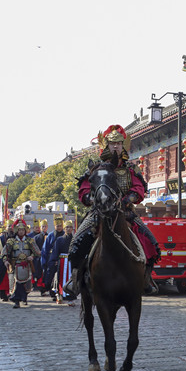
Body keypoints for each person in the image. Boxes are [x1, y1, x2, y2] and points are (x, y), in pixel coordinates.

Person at [65, 125, 160, 297]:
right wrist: (91, 199)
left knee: (151, 241)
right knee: (77, 241)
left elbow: (139, 189)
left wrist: (124, 201)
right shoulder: (96, 169)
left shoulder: (131, 170)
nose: (115, 146)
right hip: (98, 213)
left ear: (123, 145)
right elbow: (84, 190)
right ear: (106, 145)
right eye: (112, 143)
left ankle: (147, 278)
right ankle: (75, 277)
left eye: (118, 143)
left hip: (126, 213)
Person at [1, 220, 41, 308]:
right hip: (15, 265)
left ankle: (24, 297)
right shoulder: (11, 241)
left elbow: (38, 252)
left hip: (27, 265)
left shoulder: (30, 240)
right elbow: (4, 253)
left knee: (26, 284)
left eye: (23, 230)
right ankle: (17, 300)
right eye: (19, 230)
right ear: (16, 230)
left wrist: (32, 256)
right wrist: (6, 261)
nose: (21, 231)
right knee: (17, 283)